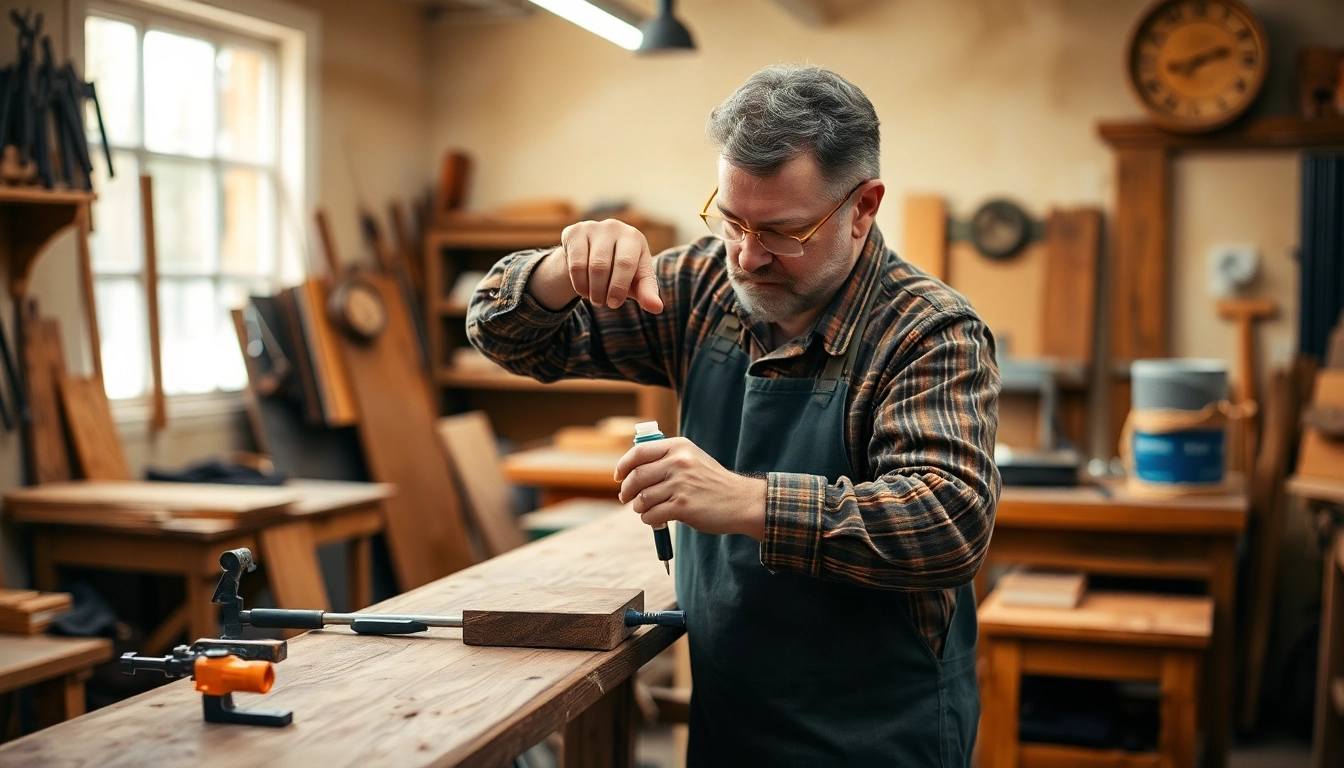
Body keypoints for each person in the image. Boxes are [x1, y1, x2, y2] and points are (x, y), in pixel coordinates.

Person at [468, 64, 1000, 767]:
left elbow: (948, 523)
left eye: (784, 232)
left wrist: (747, 500)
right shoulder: (703, 288)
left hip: (873, 731)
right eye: (731, 220)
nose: (748, 257)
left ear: (863, 207)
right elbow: (507, 336)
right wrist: (561, 272)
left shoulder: (927, 331)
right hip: (732, 714)